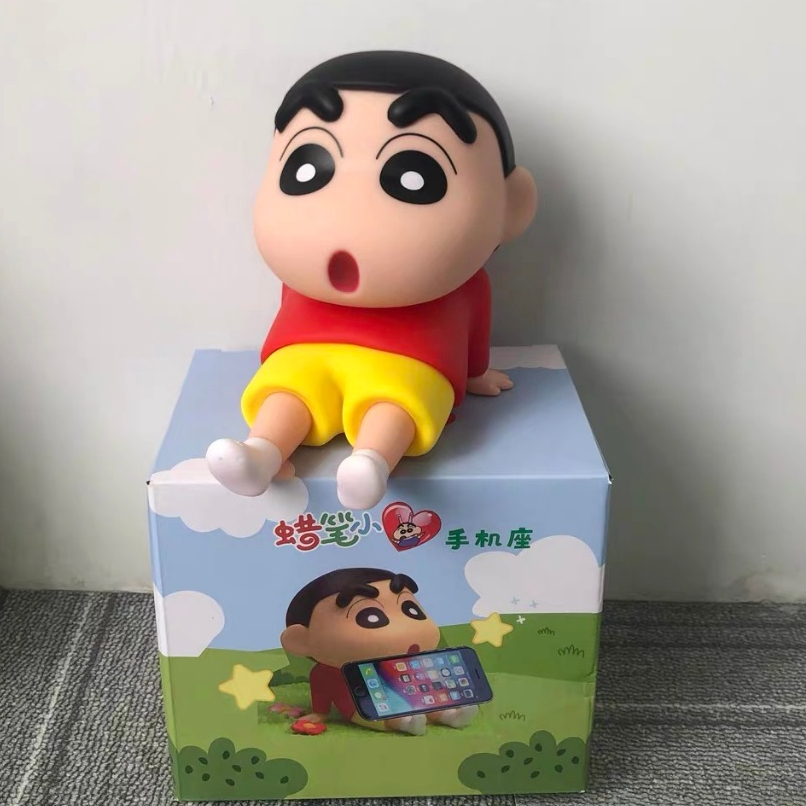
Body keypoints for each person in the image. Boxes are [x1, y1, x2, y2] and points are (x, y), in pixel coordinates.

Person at [207, 51, 537, 509]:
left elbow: (475, 331)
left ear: (512, 206)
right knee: (288, 392)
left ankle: (371, 462)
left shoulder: (464, 289)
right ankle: (261, 454)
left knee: (396, 403)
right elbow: (286, 313)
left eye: (415, 177)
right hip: (308, 354)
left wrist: (474, 373)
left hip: (412, 361)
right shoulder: (302, 281)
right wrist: (474, 372)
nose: (348, 215)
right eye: (306, 167)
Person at [280, 567, 478, 735]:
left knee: (426, 694)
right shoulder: (327, 673)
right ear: (302, 641)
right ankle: (403, 722)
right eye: (370, 617)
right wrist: (320, 713)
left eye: (411, 609)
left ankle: (448, 715)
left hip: (409, 691)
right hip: (361, 705)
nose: (406, 629)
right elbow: (322, 690)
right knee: (381, 710)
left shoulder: (408, 662)